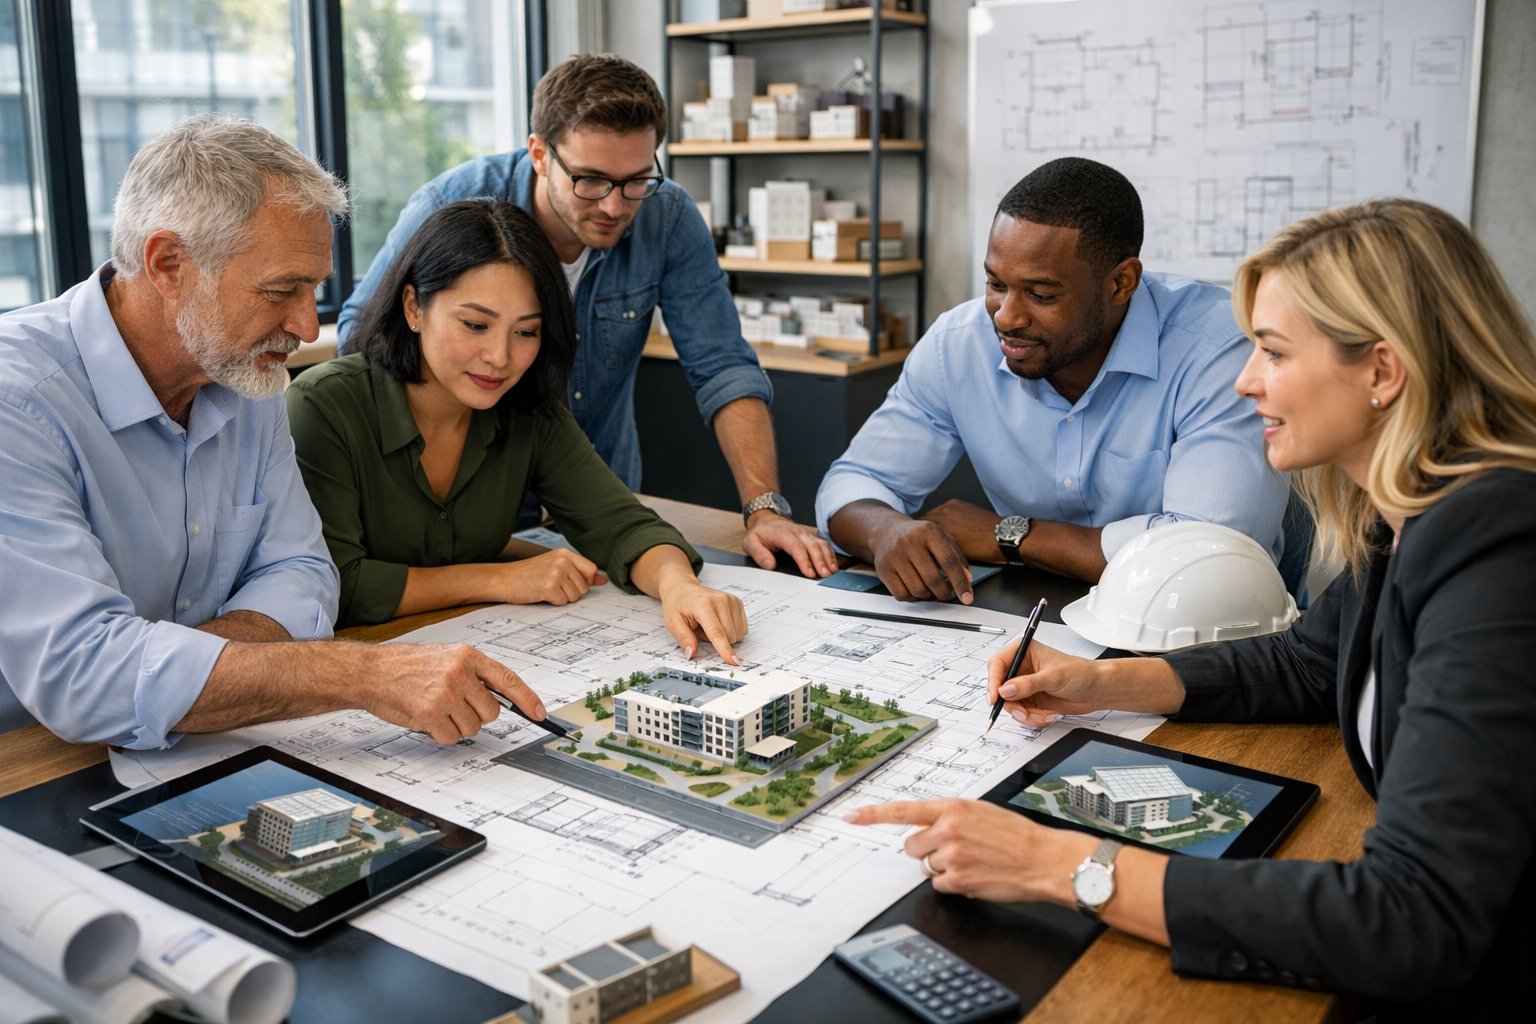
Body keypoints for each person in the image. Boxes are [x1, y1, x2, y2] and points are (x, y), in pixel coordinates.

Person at [846, 198, 1536, 1015]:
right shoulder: (1412, 512)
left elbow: (1413, 920)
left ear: (1383, 372)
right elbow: (1311, 662)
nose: (1247, 383)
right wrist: (1104, 683)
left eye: (1273, 353)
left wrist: (1057, 866)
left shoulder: (1499, 547)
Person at [0, 115, 554, 750]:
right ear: (168, 263)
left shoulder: (244, 372)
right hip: (31, 762)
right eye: (281, 289)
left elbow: (305, 572)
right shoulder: (17, 402)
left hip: (202, 740)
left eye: (314, 288)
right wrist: (359, 672)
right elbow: (82, 677)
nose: (303, 323)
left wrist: (168, 670)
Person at [338, 52, 835, 579]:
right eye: (592, 180)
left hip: (602, 503)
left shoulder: (667, 217)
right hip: (466, 519)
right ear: (539, 154)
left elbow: (723, 365)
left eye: (637, 179)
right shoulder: (450, 204)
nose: (615, 207)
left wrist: (763, 508)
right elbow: (363, 340)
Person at [287, 198, 748, 663]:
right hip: (352, 668)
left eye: (525, 332)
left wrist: (680, 587)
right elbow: (334, 584)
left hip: (469, 653)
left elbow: (624, 526)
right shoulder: (325, 405)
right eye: (475, 324)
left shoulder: (528, 409)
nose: (500, 358)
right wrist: (500, 577)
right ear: (414, 307)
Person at [815, 157, 1290, 603]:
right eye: (996, 284)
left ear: (1121, 283)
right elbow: (856, 482)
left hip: (1198, 626)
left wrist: (1010, 534)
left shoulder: (1218, 350)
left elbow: (1207, 559)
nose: (1007, 316)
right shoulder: (957, 344)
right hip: (1030, 612)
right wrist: (885, 531)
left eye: (1041, 294)